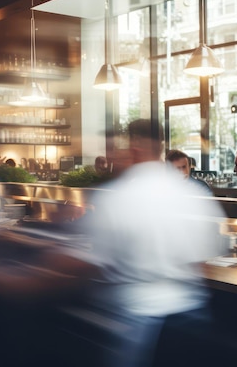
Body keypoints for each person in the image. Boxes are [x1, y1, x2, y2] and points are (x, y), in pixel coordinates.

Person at [85, 118, 227, 367]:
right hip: (192, 318)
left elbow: (92, 263)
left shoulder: (118, 197)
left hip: (139, 324)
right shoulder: (192, 193)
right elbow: (203, 262)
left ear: (134, 145)